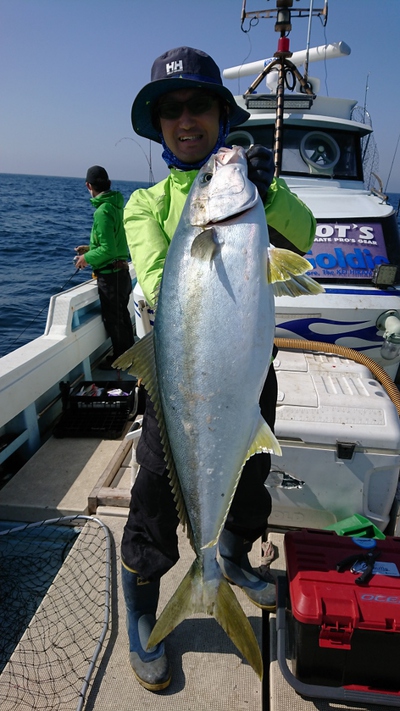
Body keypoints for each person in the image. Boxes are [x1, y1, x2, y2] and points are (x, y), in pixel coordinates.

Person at [121, 46, 316, 691]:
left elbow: (305, 240)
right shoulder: (145, 206)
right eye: (170, 109)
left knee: (251, 475)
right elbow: (157, 283)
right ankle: (144, 607)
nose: (186, 118)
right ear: (158, 124)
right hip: (177, 382)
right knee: (153, 492)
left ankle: (228, 560)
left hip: (245, 377)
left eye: (199, 103)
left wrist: (269, 190)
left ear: (220, 115)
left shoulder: (256, 197)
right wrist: (220, 204)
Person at [75, 165, 134, 365]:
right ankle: (130, 357)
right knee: (122, 317)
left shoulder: (102, 211)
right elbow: (114, 243)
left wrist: (86, 259)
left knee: (114, 320)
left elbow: (108, 250)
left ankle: (121, 360)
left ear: (88, 186)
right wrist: (89, 248)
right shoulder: (117, 206)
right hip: (122, 273)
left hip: (110, 276)